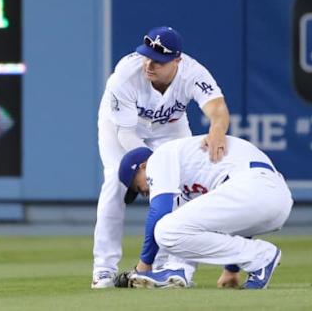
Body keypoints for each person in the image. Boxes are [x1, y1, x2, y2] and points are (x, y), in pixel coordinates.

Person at [92, 26, 230, 288]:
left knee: (182, 188)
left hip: (170, 127)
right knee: (114, 183)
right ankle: (104, 268)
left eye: (158, 61)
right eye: (146, 56)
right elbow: (127, 136)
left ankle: (172, 266)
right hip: (122, 129)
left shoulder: (192, 73)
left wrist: (217, 130)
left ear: (176, 60)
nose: (149, 65)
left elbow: (218, 109)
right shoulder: (125, 75)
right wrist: (154, 170)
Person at [117, 135, 293, 289]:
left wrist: (143, 266)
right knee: (182, 220)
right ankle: (178, 271)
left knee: (165, 229)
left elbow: (159, 212)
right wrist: (231, 270)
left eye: (137, 186)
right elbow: (232, 222)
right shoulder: (187, 179)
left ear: (143, 166)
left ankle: (261, 256)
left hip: (254, 185)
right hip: (276, 199)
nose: (143, 193)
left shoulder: (159, 157)